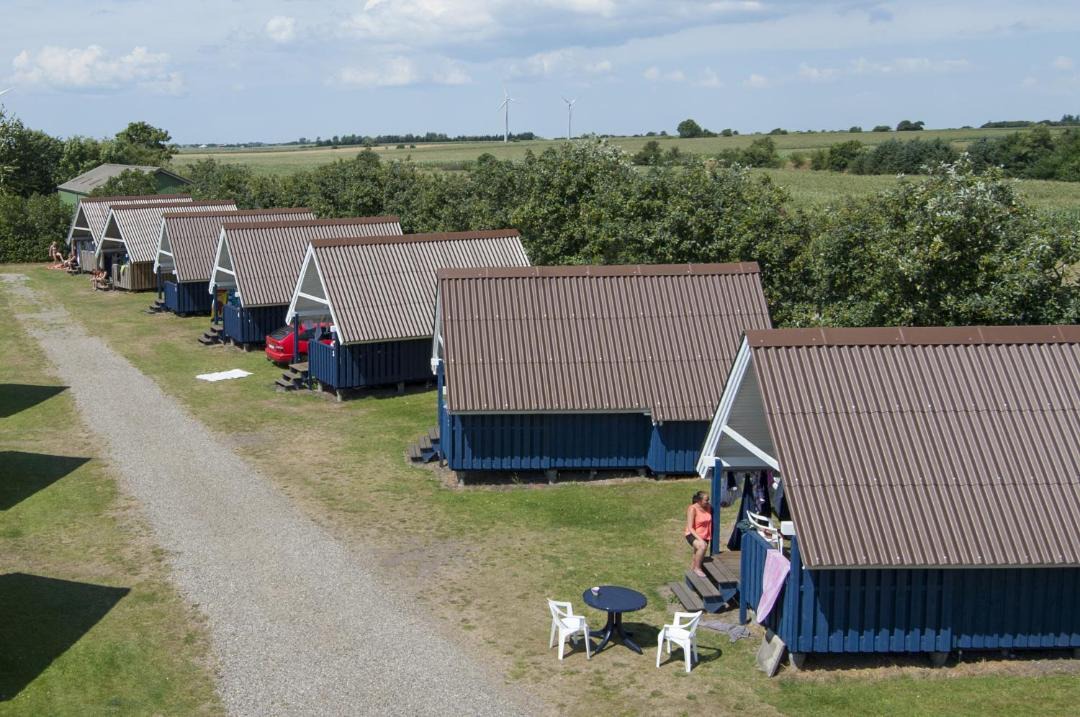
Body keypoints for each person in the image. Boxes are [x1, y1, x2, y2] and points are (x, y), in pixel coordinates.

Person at [684, 490, 712, 578]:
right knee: (702, 546)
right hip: (692, 534)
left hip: (705, 535)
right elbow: (690, 527)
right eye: (706, 500)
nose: (708, 502)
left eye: (708, 500)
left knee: (695, 556)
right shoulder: (692, 509)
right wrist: (700, 539)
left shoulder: (708, 507)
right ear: (699, 501)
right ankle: (697, 568)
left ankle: (692, 577)